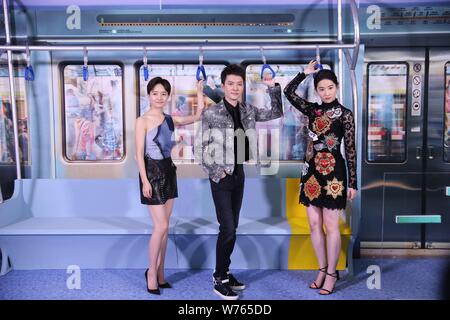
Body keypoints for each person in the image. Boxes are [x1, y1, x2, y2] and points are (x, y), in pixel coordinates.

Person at [196, 64, 283, 300]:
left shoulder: (248, 110)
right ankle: (219, 279)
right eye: (231, 84)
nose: (235, 88)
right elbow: (200, 150)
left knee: (232, 227)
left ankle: (223, 272)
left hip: (240, 173)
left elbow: (275, 113)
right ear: (223, 86)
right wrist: (218, 173)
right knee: (228, 229)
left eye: (239, 84)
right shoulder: (211, 113)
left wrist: (272, 88)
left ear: (243, 86)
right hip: (222, 176)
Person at [284, 60, 357, 295]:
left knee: (331, 226)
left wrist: (353, 183)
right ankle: (323, 269)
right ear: (317, 90)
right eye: (322, 89)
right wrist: (304, 73)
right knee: (314, 224)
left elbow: (351, 149)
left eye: (330, 87)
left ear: (337, 87)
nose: (326, 92)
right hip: (310, 173)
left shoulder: (345, 115)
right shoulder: (312, 110)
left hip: (335, 173)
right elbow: (288, 92)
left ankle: (332, 273)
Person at [135, 76, 204, 295]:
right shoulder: (142, 120)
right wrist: (145, 181)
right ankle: (152, 273)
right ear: (149, 95)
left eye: (163, 94)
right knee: (161, 227)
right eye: (155, 93)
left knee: (165, 228)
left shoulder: (169, 119)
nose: (159, 97)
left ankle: (161, 273)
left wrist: (200, 92)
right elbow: (138, 154)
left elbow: (198, 116)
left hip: (169, 172)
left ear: (168, 96)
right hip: (152, 174)